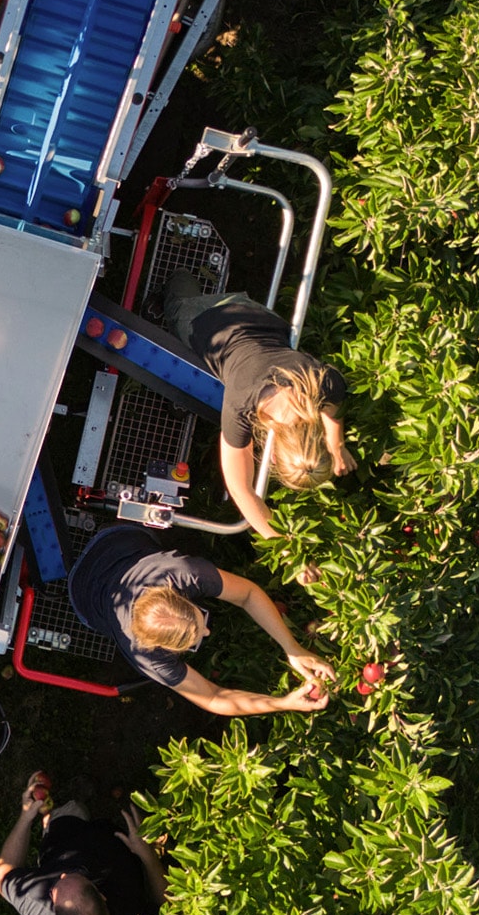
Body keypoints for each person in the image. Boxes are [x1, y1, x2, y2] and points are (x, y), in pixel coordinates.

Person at [162, 270, 354, 540]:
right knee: (177, 307)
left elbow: (336, 400)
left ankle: (193, 284)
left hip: (252, 312)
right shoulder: (240, 406)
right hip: (208, 323)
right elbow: (240, 489)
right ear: (273, 455)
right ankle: (177, 280)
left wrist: (337, 444)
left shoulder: (318, 382)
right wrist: (283, 546)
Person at [68, 523, 334, 716]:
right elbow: (212, 697)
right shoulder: (145, 655)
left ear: (180, 595)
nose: (207, 632)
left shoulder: (183, 572)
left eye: (199, 623)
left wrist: (292, 648)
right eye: (195, 639)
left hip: (116, 539)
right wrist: (283, 703)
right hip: (83, 594)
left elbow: (248, 594)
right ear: (164, 650)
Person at [0, 773, 165, 915]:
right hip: (120, 854)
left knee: (69, 811)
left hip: (65, 840)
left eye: (55, 888)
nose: (63, 874)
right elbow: (169, 907)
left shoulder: (36, 905)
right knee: (79, 812)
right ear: (102, 895)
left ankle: (63, 809)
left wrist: (26, 817)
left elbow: (2, 875)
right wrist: (148, 856)